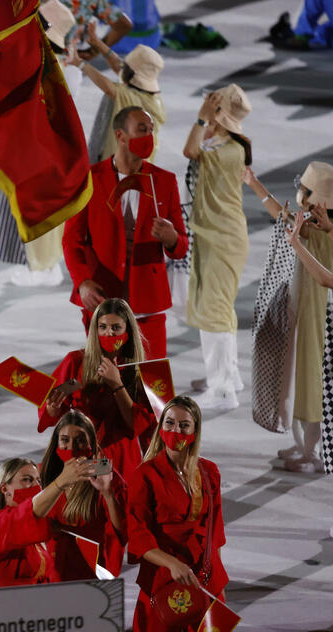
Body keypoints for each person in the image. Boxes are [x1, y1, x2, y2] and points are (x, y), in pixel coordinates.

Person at [63, 106, 187, 359]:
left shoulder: (165, 181)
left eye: (151, 130)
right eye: (142, 129)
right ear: (121, 136)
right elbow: (72, 240)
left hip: (148, 301)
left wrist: (171, 238)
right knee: (105, 380)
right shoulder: (91, 179)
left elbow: (181, 247)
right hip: (102, 297)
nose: (149, 136)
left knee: (152, 382)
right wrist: (83, 283)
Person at [128, 396, 228, 632]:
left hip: (206, 580)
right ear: (161, 428)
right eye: (170, 423)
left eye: (184, 425)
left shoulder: (210, 472)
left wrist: (218, 584)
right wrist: (172, 564)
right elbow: (138, 534)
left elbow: (214, 531)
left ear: (195, 432)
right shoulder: (145, 474)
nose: (176, 431)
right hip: (161, 581)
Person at [250, 162, 333, 473]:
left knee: (313, 384)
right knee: (297, 381)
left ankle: (313, 452)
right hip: (301, 314)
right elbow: (279, 214)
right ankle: (303, 445)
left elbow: (326, 279)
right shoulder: (308, 223)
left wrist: (301, 241)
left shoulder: (322, 232)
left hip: (320, 320)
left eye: (305, 191)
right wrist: (253, 182)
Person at [0, 0, 79, 288]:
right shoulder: (69, 71)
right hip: (54, 151)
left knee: (33, 209)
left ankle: (40, 268)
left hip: (34, 150)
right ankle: (46, 265)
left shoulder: (41, 69)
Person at [183, 84, 253, 410]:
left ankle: (222, 390)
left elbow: (190, 151)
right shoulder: (229, 143)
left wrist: (200, 120)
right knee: (217, 309)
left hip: (221, 238)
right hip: (216, 235)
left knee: (215, 312)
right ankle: (226, 374)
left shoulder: (226, 152)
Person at [39, 298, 156, 478]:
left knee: (113, 501)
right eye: (102, 327)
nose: (108, 333)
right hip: (81, 451)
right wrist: (52, 409)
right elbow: (51, 413)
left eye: (116, 327)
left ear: (128, 331)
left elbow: (138, 426)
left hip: (120, 459)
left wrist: (117, 384)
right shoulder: (75, 361)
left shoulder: (140, 371)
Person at [0, 453, 93, 588]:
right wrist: (61, 481)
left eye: (38, 480)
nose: (35, 485)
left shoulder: (35, 535)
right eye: (27, 480)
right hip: (6, 606)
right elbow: (29, 511)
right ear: (5, 489)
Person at [38, 411, 127, 579]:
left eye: (80, 440)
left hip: (91, 570)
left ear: (91, 444)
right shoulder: (44, 472)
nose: (71, 447)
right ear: (56, 443)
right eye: (65, 440)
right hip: (53, 568)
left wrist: (107, 493)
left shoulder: (104, 474)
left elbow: (122, 532)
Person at [69, 28, 166, 163]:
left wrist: (80, 64)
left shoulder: (134, 101)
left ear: (132, 74)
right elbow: (120, 67)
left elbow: (110, 89)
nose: (122, 67)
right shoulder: (149, 96)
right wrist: (98, 43)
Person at [60, 0, 133, 56]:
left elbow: (124, 25)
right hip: (63, 64)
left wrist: (92, 52)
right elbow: (124, 25)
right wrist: (92, 52)